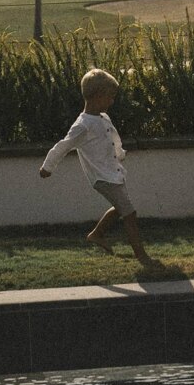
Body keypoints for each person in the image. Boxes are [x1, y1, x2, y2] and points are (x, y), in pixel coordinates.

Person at [41, 66, 159, 271]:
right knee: (129, 213)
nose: (111, 101)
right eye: (109, 97)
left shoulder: (103, 118)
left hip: (113, 172)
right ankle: (141, 256)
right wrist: (48, 167)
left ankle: (96, 235)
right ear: (96, 97)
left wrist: (120, 154)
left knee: (120, 208)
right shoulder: (83, 125)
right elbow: (64, 145)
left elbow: (114, 138)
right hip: (102, 177)